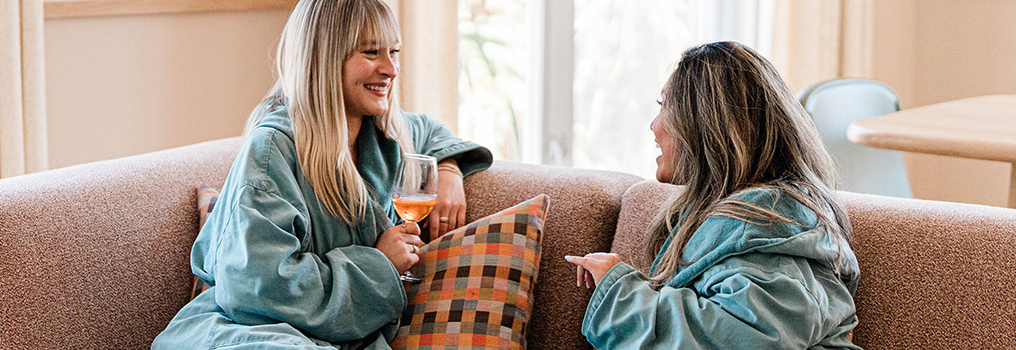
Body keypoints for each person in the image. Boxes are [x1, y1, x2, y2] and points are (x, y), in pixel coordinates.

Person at [151, 0, 493, 348]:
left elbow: (432, 132)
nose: (390, 68)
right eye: (371, 52)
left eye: (394, 51)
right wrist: (378, 264)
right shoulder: (273, 150)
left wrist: (448, 169)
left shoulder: (385, 135)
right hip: (252, 330)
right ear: (325, 60)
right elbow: (257, 288)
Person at [563, 41, 861, 349]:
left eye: (665, 106)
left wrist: (621, 293)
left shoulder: (769, 227)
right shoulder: (747, 223)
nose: (654, 126)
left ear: (706, 125)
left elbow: (742, 339)